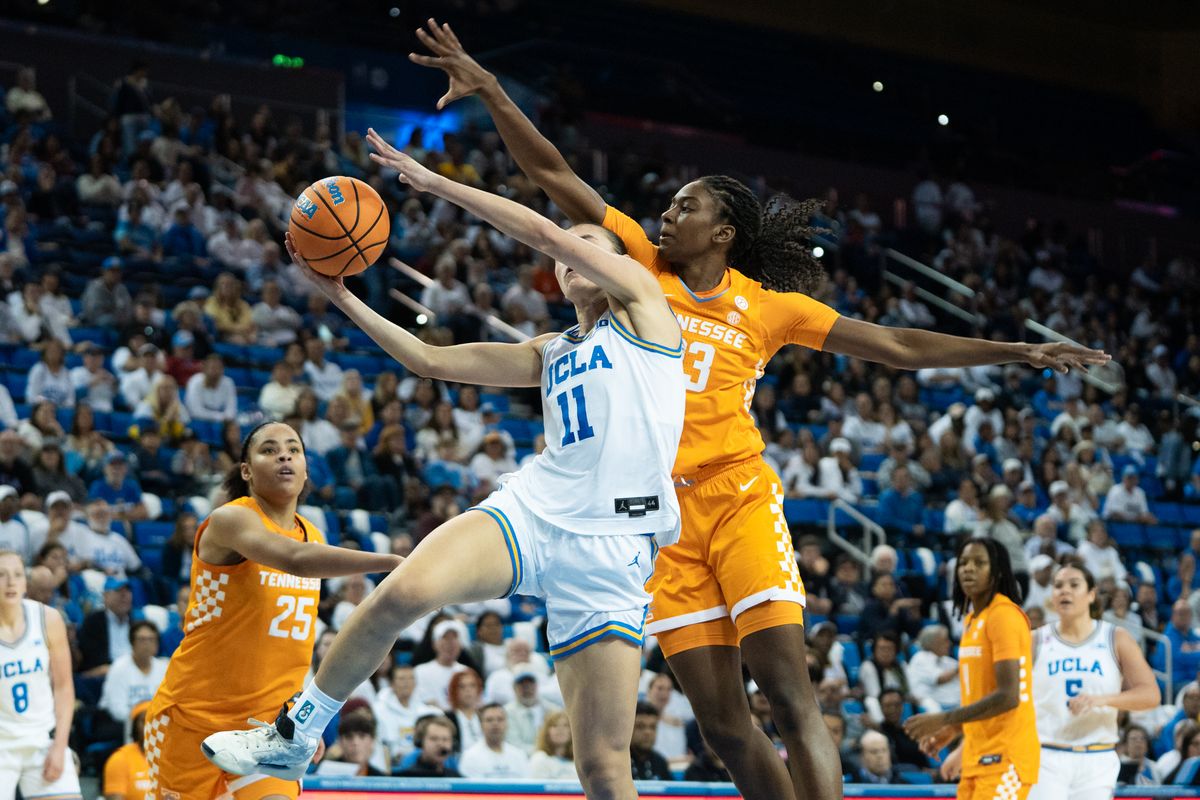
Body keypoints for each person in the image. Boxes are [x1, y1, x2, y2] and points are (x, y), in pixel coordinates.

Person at [410, 19, 1109, 800]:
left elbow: (898, 346)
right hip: (657, 522)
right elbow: (553, 174)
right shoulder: (642, 265)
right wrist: (494, 89)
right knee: (720, 723)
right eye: (667, 208)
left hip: (738, 498)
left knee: (787, 692)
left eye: (684, 207)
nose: (666, 216)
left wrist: (1020, 351)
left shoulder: (771, 309)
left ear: (724, 230)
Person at [203, 129, 685, 800]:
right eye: (574, 251)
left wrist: (434, 184)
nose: (577, 255)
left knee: (603, 767)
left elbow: (547, 236)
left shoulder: (646, 309)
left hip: (614, 549)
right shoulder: (551, 350)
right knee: (402, 593)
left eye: (591, 246)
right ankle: (295, 734)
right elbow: (428, 360)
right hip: (535, 514)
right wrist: (339, 293)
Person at [143, 422, 401, 800]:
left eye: (294, 449)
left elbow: (293, 644)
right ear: (246, 471)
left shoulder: (315, 535)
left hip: (266, 731)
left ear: (305, 468)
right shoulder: (230, 519)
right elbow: (294, 558)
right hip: (191, 719)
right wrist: (394, 562)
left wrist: (304, 724)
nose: (284, 455)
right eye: (269, 449)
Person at [903, 538, 1039, 799]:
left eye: (979, 563)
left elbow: (1007, 697)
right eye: (963, 563)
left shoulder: (1004, 616)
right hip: (978, 755)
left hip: (1007, 757)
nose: (968, 569)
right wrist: (953, 731)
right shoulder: (971, 621)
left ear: (996, 572)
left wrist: (944, 718)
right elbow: (980, 696)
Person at [1027, 558, 1159, 800]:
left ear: (1091, 595)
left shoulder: (1115, 637)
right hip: (1045, 755)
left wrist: (1102, 700)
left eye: (1074, 584)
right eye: (1058, 585)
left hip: (1097, 756)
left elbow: (1150, 695)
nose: (1064, 590)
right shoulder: (1034, 640)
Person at [0, 549, 81, 798]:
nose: (10, 582)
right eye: (1, 575)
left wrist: (60, 745)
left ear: (26, 583)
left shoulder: (48, 619)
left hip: (42, 741)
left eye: (17, 575)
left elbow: (64, 687)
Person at [99, 620, 168, 740]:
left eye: (151, 639)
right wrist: (143, 719)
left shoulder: (164, 667)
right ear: (132, 643)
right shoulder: (119, 668)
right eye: (142, 639)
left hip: (156, 723)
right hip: (120, 726)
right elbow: (117, 710)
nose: (147, 644)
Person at [371, 663, 441, 765]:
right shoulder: (378, 710)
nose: (406, 683)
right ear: (392, 684)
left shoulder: (427, 711)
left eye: (410, 678)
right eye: (402, 679)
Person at [459, 703, 531, 778]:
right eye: (489, 720)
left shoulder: (519, 755)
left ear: (507, 724)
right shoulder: (470, 757)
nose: (495, 724)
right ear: (481, 725)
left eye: (500, 719)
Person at [103, 703, 152, 800]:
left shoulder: (172, 760)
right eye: (144, 721)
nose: (150, 726)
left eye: (154, 720)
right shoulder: (120, 759)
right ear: (135, 727)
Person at [394, 716, 461, 778]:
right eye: (434, 739)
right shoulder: (405, 778)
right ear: (420, 742)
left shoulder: (458, 779)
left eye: (445, 739)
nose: (441, 744)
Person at [630, 701, 672, 781]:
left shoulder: (660, 762)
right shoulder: (619, 762)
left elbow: (671, 792)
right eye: (640, 726)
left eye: (652, 727)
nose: (647, 732)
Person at [529, 710, 576, 779]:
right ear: (546, 732)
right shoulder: (540, 758)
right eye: (555, 725)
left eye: (565, 725)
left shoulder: (577, 762)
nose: (560, 729)